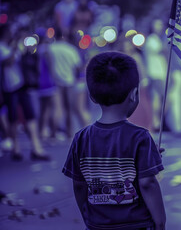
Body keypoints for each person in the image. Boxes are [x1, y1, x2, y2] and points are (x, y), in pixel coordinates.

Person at [62, 52, 166, 230]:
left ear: (92, 96)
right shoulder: (140, 137)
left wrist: (88, 217)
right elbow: (148, 183)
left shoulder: (81, 138)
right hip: (136, 225)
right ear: (134, 94)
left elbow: (79, 186)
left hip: (97, 225)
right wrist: (160, 221)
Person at [0, 25, 49, 161]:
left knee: (30, 115)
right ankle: (16, 148)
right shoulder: (3, 47)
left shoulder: (13, 46)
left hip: (22, 85)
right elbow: (8, 62)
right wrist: (16, 45)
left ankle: (36, 147)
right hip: (9, 87)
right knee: (13, 118)